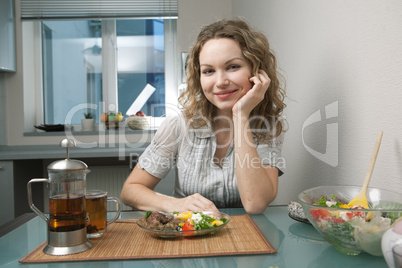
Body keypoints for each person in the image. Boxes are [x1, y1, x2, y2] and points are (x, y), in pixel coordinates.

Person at [121, 18, 286, 215]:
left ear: (257, 72)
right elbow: (130, 190)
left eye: (233, 66)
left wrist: (241, 116)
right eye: (208, 71)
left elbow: (255, 204)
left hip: (249, 237)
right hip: (190, 235)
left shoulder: (268, 126)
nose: (220, 81)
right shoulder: (178, 124)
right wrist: (174, 204)